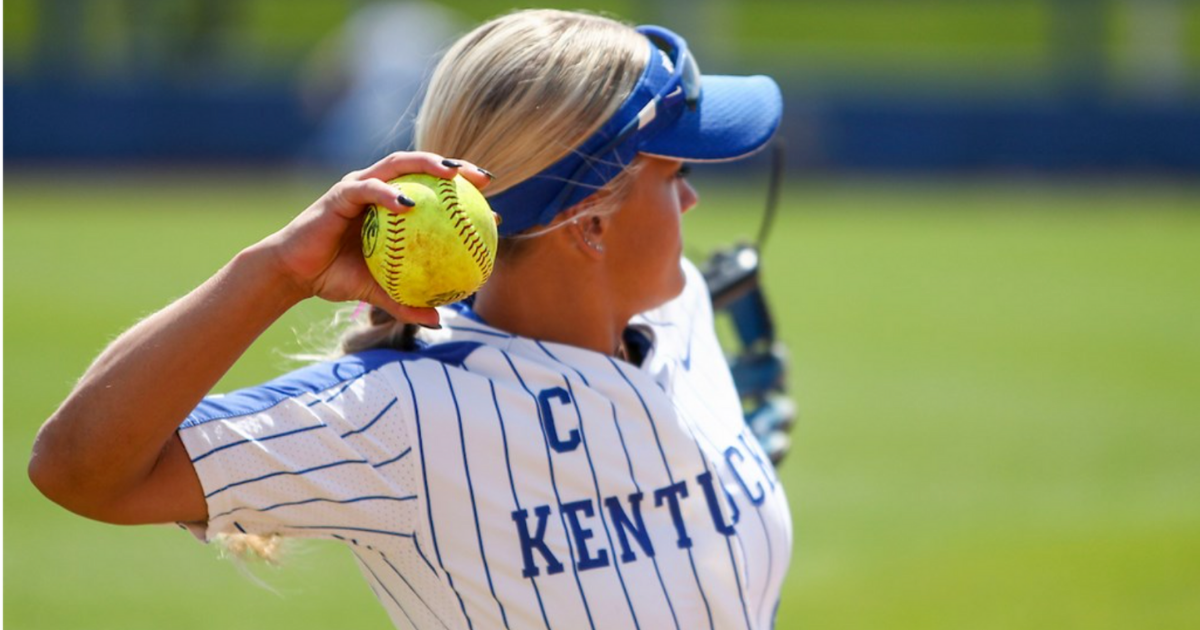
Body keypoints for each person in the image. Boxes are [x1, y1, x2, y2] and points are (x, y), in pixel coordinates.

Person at [30, 8, 790, 630]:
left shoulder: (677, 306)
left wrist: (711, 467)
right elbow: (79, 473)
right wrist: (275, 274)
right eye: (675, 174)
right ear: (589, 225)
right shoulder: (399, 420)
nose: (692, 201)